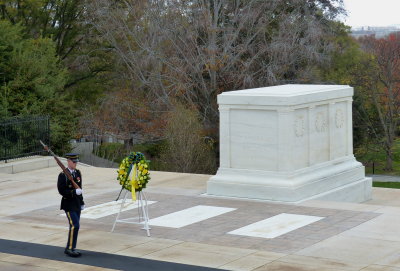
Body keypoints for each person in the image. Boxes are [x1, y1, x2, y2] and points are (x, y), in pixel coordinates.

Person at [57, 153, 85, 257]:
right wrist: (73, 193)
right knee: (75, 225)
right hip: (68, 204)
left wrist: (82, 202)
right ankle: (69, 249)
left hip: (77, 203)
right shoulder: (63, 175)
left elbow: (79, 188)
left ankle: (72, 247)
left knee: (75, 226)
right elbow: (61, 190)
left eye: (76, 161)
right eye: (74, 162)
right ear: (68, 162)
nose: (75, 163)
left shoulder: (78, 173)